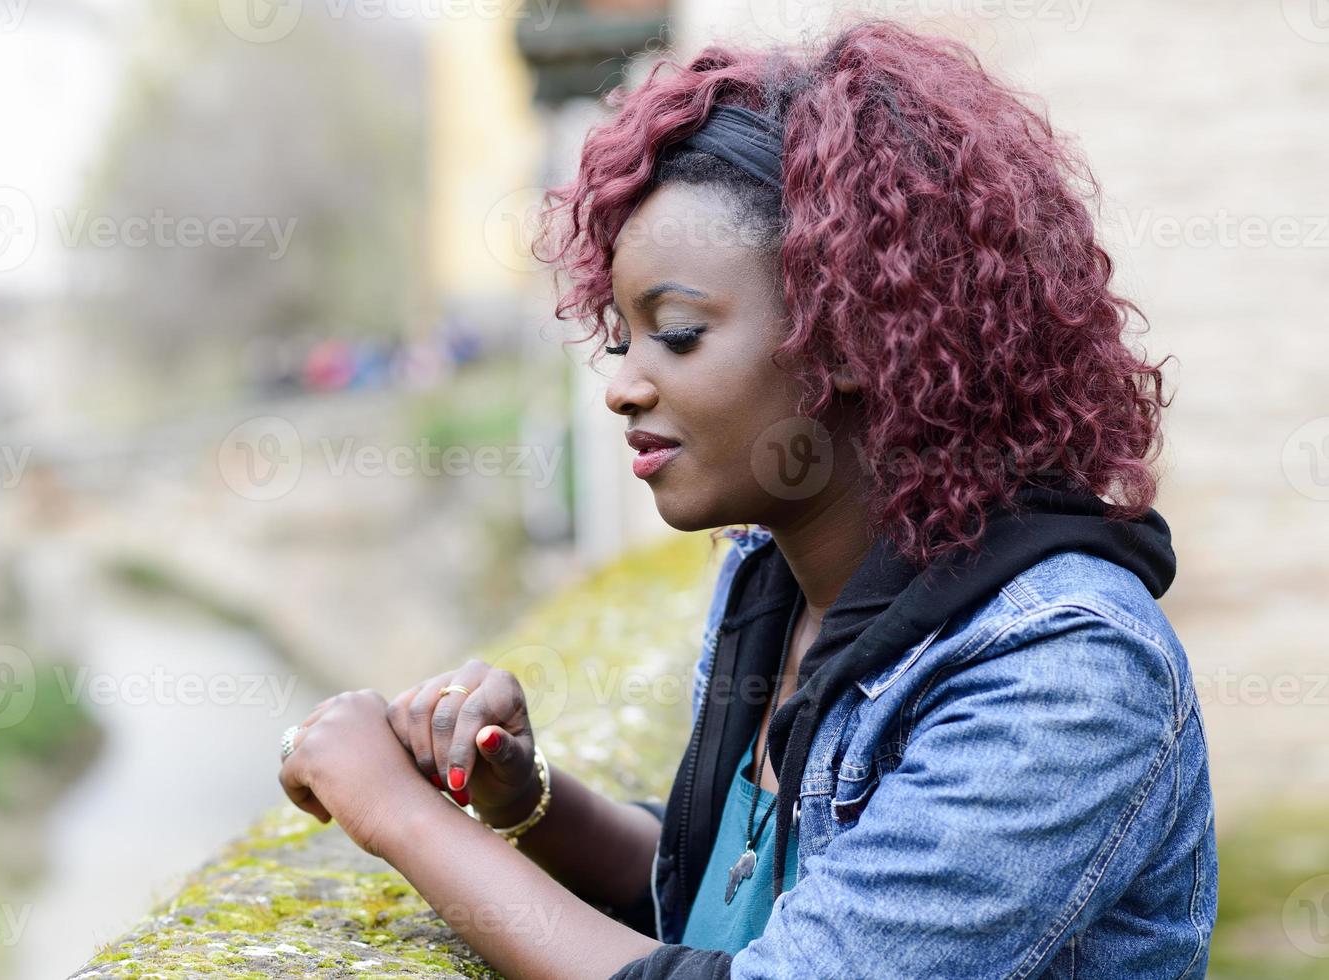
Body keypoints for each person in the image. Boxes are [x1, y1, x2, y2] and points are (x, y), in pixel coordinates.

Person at [277, 20, 1217, 979]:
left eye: (676, 333)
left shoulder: (1060, 672)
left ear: (851, 336)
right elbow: (745, 885)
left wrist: (393, 814)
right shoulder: (773, 581)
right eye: (620, 340)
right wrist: (522, 799)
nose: (622, 386)